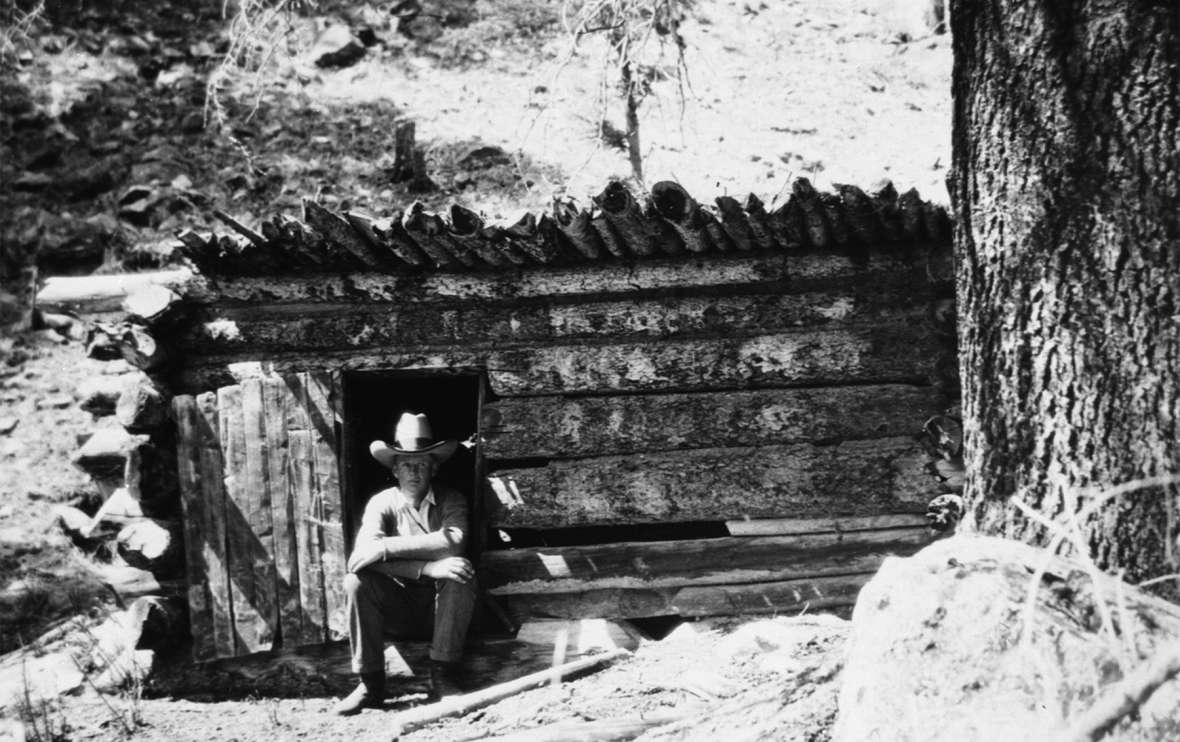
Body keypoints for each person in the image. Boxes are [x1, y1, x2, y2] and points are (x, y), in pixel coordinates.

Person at [333, 412, 477, 716]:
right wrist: (426, 568)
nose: (414, 472)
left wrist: (384, 548)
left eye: (422, 464)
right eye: (406, 464)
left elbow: (452, 542)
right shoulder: (381, 503)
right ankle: (370, 684)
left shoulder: (452, 499)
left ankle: (443, 675)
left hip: (438, 613)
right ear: (395, 469)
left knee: (459, 571)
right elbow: (359, 559)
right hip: (396, 608)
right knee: (355, 582)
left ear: (433, 469)